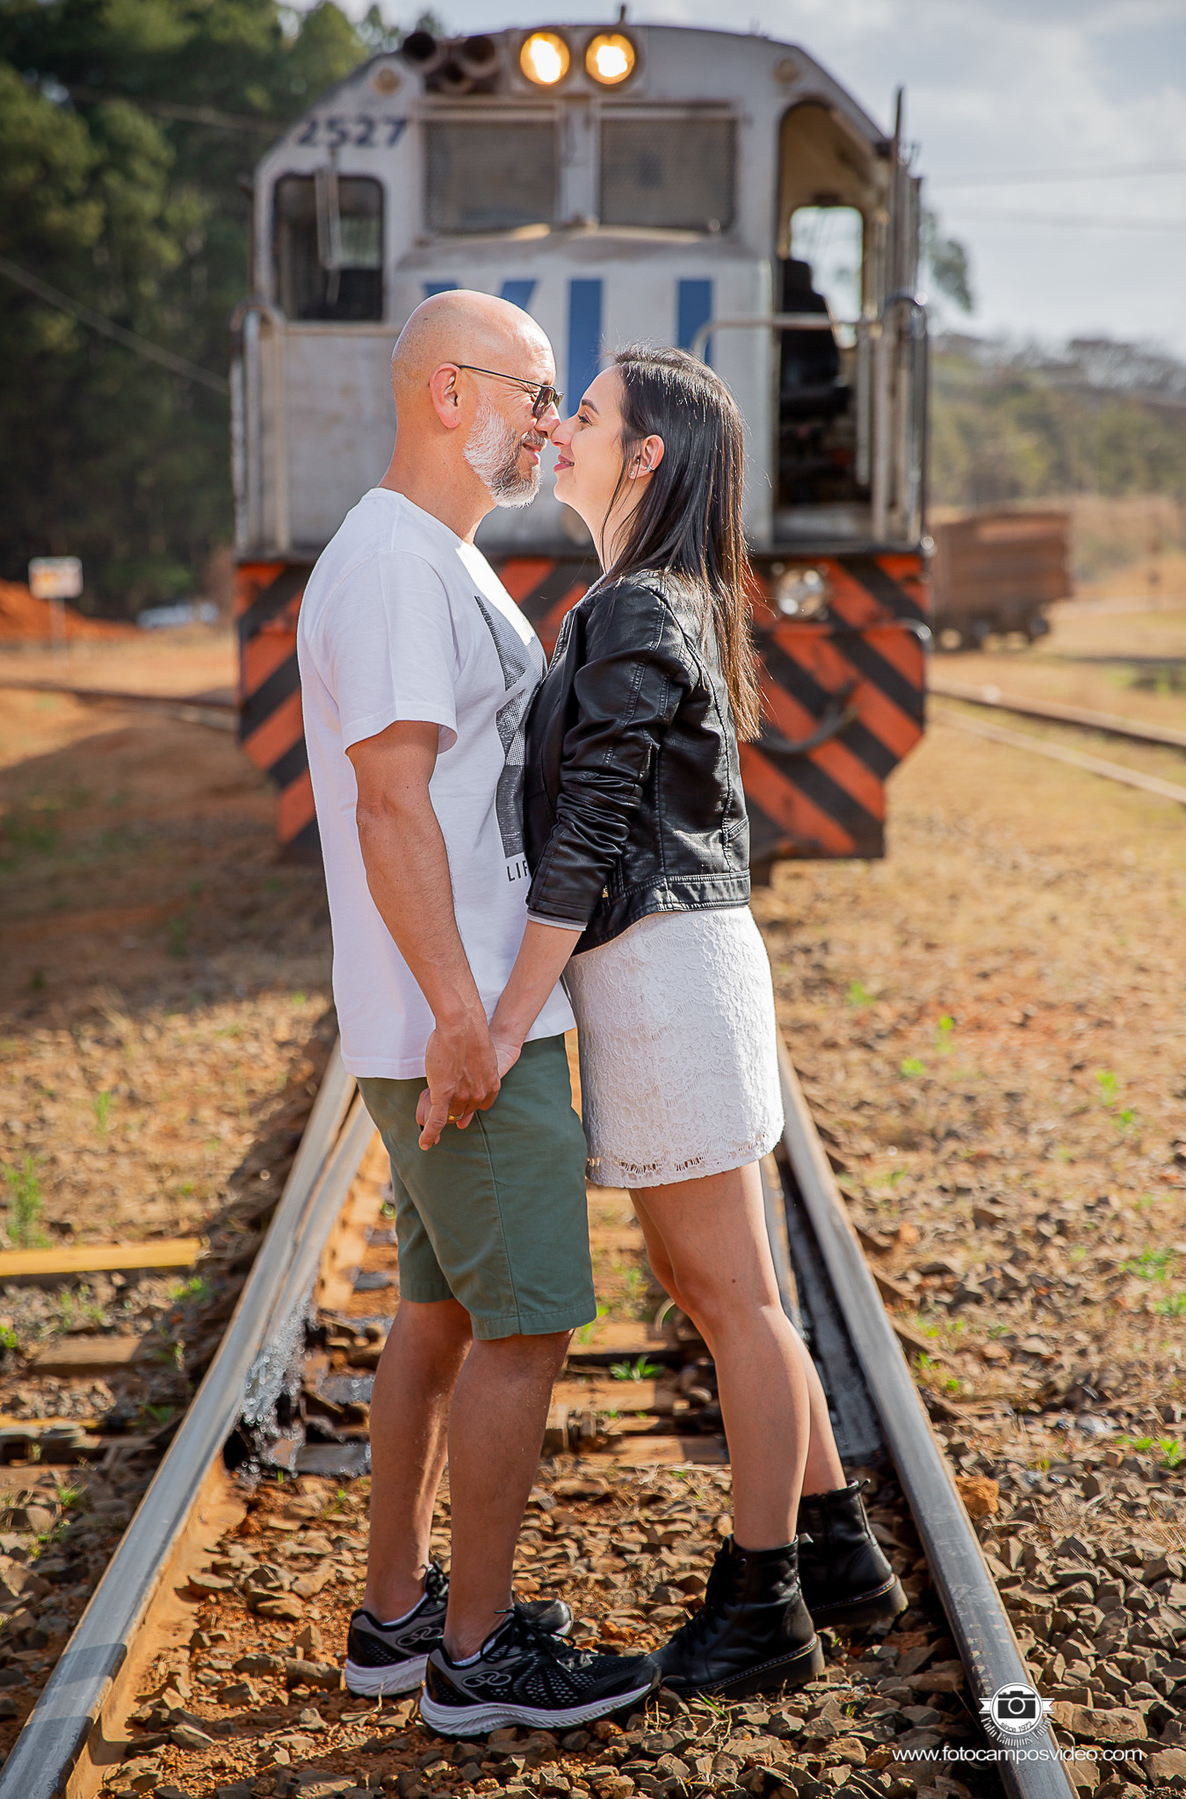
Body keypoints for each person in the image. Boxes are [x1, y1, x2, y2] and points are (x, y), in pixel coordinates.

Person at [479, 345, 905, 1698]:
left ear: (645, 454)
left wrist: (507, 1014)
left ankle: (763, 1602)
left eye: (587, 415)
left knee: (734, 1301)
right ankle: (840, 1550)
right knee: (723, 1289)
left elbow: (593, 832)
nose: (562, 430)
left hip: (665, 977)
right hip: (670, 969)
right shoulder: (654, 599)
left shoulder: (637, 609)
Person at [297, 290, 658, 1734]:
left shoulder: (437, 556)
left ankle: (397, 1618)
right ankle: (477, 1655)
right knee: (528, 1327)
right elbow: (390, 805)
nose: (552, 421)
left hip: (455, 1019)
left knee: (440, 1313)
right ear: (451, 394)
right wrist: (464, 1016)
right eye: (534, 390)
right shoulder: (396, 564)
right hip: (463, 1033)